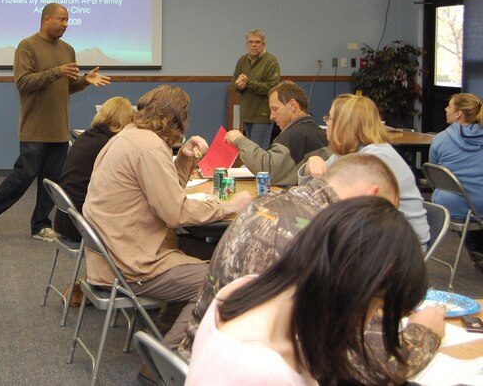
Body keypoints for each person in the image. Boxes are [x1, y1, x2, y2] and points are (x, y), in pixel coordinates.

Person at [177, 154, 442, 382]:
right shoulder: (317, 239)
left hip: (195, 364)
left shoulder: (269, 203)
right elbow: (365, 362)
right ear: (371, 198)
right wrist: (421, 334)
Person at [83, 85, 252, 351]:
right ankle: (164, 361)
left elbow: (161, 195)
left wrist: (183, 160)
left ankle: (167, 328)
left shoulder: (128, 136)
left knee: (208, 253)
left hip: (112, 254)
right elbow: (174, 212)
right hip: (132, 263)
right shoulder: (150, 147)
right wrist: (231, 207)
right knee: (220, 280)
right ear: (176, 118)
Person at [0, 3, 110, 242]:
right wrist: (56, 72)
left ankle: (40, 225)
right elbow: (24, 82)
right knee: (24, 176)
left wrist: (84, 80)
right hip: (34, 127)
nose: (66, 24)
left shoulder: (68, 49)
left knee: (52, 180)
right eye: (62, 19)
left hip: (58, 128)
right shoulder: (27, 46)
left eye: (68, 20)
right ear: (46, 20)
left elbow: (67, 87)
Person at [301, 93, 429, 247]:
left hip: (401, 247)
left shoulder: (375, 158)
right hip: (376, 235)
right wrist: (310, 165)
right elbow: (309, 195)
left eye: (329, 118)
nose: (326, 123)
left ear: (345, 124)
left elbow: (341, 206)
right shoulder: (348, 153)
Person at [52, 96, 134, 242]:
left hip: (67, 220)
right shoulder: (109, 145)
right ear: (124, 120)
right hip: (84, 226)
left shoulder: (85, 136)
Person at [224, 80, 329, 187]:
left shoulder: (294, 135)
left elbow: (268, 170)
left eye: (275, 109)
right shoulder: (320, 132)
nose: (271, 116)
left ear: (292, 105)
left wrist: (240, 140)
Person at [430, 92, 483, 257]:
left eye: (449, 106)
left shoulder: (440, 139)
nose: (446, 109)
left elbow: (434, 176)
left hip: (450, 204)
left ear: (458, 113)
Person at [231, 29, 280, 149]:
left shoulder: (271, 61)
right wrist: (239, 86)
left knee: (257, 152)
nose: (254, 45)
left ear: (263, 44)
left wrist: (249, 83)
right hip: (247, 114)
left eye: (257, 42)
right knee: (249, 151)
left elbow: (271, 88)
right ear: (247, 44)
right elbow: (234, 84)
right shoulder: (242, 61)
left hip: (263, 116)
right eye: (250, 42)